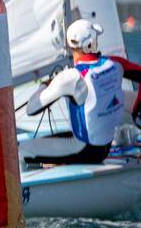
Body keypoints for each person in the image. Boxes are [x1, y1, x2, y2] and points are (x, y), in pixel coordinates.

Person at [25, 19, 141, 165]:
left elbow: (31, 109)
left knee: (21, 149)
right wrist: (137, 106)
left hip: (83, 150)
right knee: (56, 138)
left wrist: (45, 85)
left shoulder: (71, 76)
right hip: (104, 148)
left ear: (71, 45)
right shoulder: (115, 63)